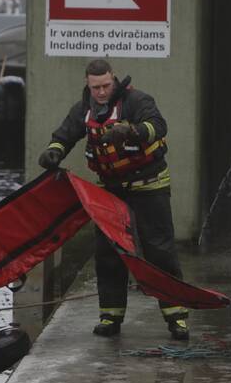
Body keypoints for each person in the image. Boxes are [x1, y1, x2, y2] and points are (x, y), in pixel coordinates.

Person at [38, 59, 190, 340]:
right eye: (95, 87)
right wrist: (54, 152)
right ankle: (110, 316)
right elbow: (64, 135)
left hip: (149, 186)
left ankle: (177, 317)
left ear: (115, 80)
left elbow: (159, 126)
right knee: (109, 253)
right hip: (111, 190)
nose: (101, 92)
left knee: (159, 252)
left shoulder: (137, 100)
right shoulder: (83, 109)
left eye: (106, 85)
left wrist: (132, 131)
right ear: (88, 84)